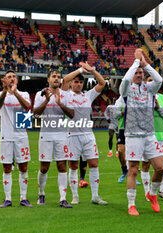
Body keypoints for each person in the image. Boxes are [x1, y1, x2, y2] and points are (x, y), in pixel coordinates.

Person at [119, 48, 163, 215]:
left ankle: (152, 194)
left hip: (149, 135)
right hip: (132, 136)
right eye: (136, 73)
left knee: (160, 167)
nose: (138, 75)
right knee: (133, 170)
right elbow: (124, 81)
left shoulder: (149, 88)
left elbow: (159, 79)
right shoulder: (127, 90)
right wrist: (136, 62)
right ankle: (131, 204)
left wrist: (145, 64)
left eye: (141, 73)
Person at [61, 62, 107, 205]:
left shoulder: (88, 95)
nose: (78, 84)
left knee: (94, 164)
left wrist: (92, 70)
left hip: (88, 136)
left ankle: (95, 196)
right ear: (72, 84)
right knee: (73, 166)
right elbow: (65, 80)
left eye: (81, 82)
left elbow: (102, 83)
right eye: (76, 82)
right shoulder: (66, 95)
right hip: (73, 136)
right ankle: (75, 196)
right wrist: (80, 69)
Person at [33, 69, 74, 208]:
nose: (56, 79)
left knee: (62, 166)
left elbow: (72, 114)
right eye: (53, 76)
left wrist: (61, 104)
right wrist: (46, 100)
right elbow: (36, 114)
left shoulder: (66, 95)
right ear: (48, 79)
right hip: (46, 135)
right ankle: (41, 193)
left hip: (62, 135)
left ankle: (63, 198)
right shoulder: (40, 94)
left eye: (58, 77)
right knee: (44, 168)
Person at [0, 70, 33, 208]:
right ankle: (8, 198)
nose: (11, 78)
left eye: (14, 77)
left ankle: (23, 197)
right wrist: (5, 91)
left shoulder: (24, 94)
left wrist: (15, 92)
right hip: (6, 136)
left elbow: (27, 107)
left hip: (21, 136)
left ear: (17, 80)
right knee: (6, 167)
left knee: (23, 167)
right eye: (9, 77)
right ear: (4, 79)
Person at [141, 78, 163, 202]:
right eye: (149, 80)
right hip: (147, 136)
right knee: (146, 164)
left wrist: (158, 108)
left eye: (154, 81)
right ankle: (147, 193)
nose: (151, 83)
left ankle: (162, 190)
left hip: (161, 136)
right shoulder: (141, 97)